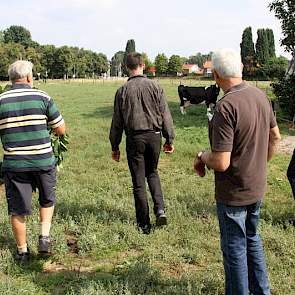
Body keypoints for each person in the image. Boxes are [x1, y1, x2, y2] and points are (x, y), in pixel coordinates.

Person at [194, 48, 281, 295]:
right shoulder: (260, 96)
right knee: (252, 240)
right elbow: (275, 136)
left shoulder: (226, 107)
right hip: (256, 187)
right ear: (241, 68)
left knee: (235, 249)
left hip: (233, 194)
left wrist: (202, 156)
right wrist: (260, 164)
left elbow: (221, 162)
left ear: (216, 75)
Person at [0, 60, 66, 263]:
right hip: (43, 160)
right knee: (47, 199)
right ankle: (44, 238)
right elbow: (61, 129)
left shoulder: (1, 100)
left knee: (18, 209)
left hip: (14, 164)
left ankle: (22, 253)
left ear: (11, 79)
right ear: (29, 77)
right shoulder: (42, 96)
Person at [109, 52, 175, 234]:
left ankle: (144, 224)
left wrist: (114, 146)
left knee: (138, 182)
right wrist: (169, 138)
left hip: (134, 138)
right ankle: (160, 209)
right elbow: (165, 115)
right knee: (152, 173)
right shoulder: (156, 87)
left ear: (126, 68)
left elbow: (117, 123)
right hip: (154, 136)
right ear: (143, 65)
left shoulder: (122, 91)